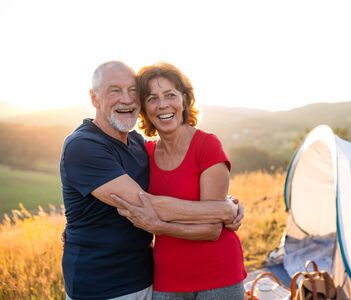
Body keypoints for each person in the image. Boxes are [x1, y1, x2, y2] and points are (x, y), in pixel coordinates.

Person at [60, 61, 243, 300]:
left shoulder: (138, 145)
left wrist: (226, 206)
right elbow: (144, 203)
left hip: (148, 279)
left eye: (133, 91)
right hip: (103, 287)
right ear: (95, 99)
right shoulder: (83, 146)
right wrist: (223, 210)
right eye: (115, 90)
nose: (126, 99)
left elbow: (204, 218)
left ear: (184, 100)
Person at [112, 62, 247, 300]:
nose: (162, 104)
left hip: (218, 271)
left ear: (184, 100)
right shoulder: (146, 154)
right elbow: (121, 194)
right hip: (168, 275)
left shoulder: (207, 145)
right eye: (152, 98)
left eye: (170, 95)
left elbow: (212, 229)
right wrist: (77, 231)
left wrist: (160, 226)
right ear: (144, 109)